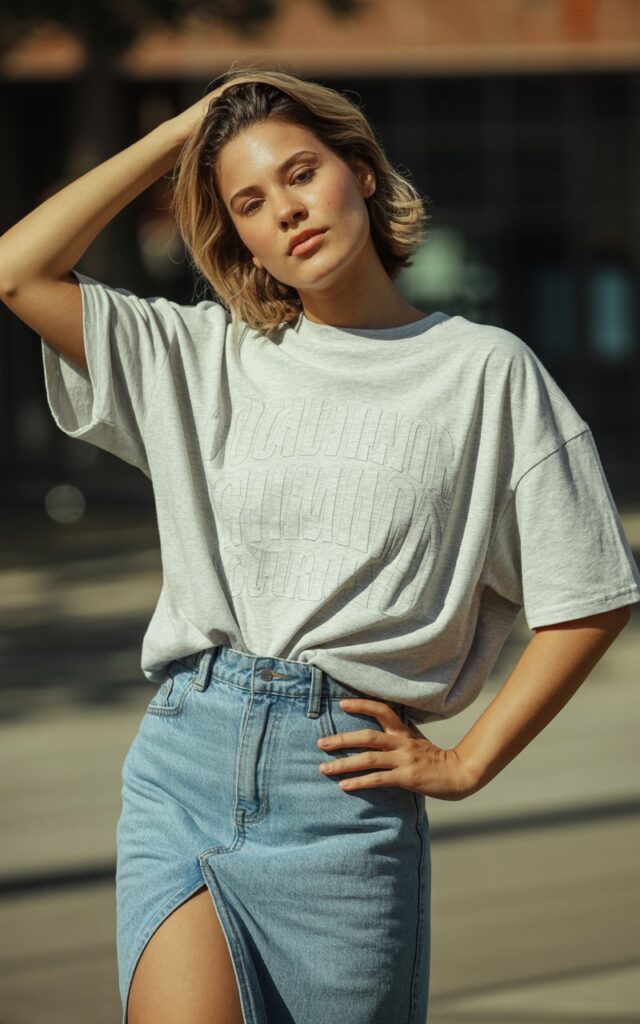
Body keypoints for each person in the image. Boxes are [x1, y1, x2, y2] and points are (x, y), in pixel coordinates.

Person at [1, 65, 639, 1024]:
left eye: (302, 174)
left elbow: (590, 591)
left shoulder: (482, 373)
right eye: (250, 202)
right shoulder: (208, 358)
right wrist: (183, 133)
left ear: (363, 174)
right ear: (239, 236)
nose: (286, 212)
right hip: (186, 760)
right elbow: (19, 268)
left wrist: (469, 762)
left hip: (342, 789)